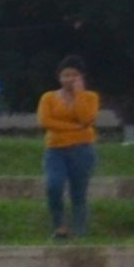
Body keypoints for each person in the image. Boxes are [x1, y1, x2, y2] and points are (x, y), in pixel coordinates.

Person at [40, 57, 100, 238]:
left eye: (74, 75)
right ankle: (59, 226)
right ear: (59, 77)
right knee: (54, 186)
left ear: (82, 77)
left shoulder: (90, 97)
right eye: (66, 75)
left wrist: (79, 95)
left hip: (82, 149)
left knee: (78, 193)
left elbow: (87, 119)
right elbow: (46, 121)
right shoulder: (48, 97)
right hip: (55, 149)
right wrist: (75, 128)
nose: (70, 79)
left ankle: (80, 233)